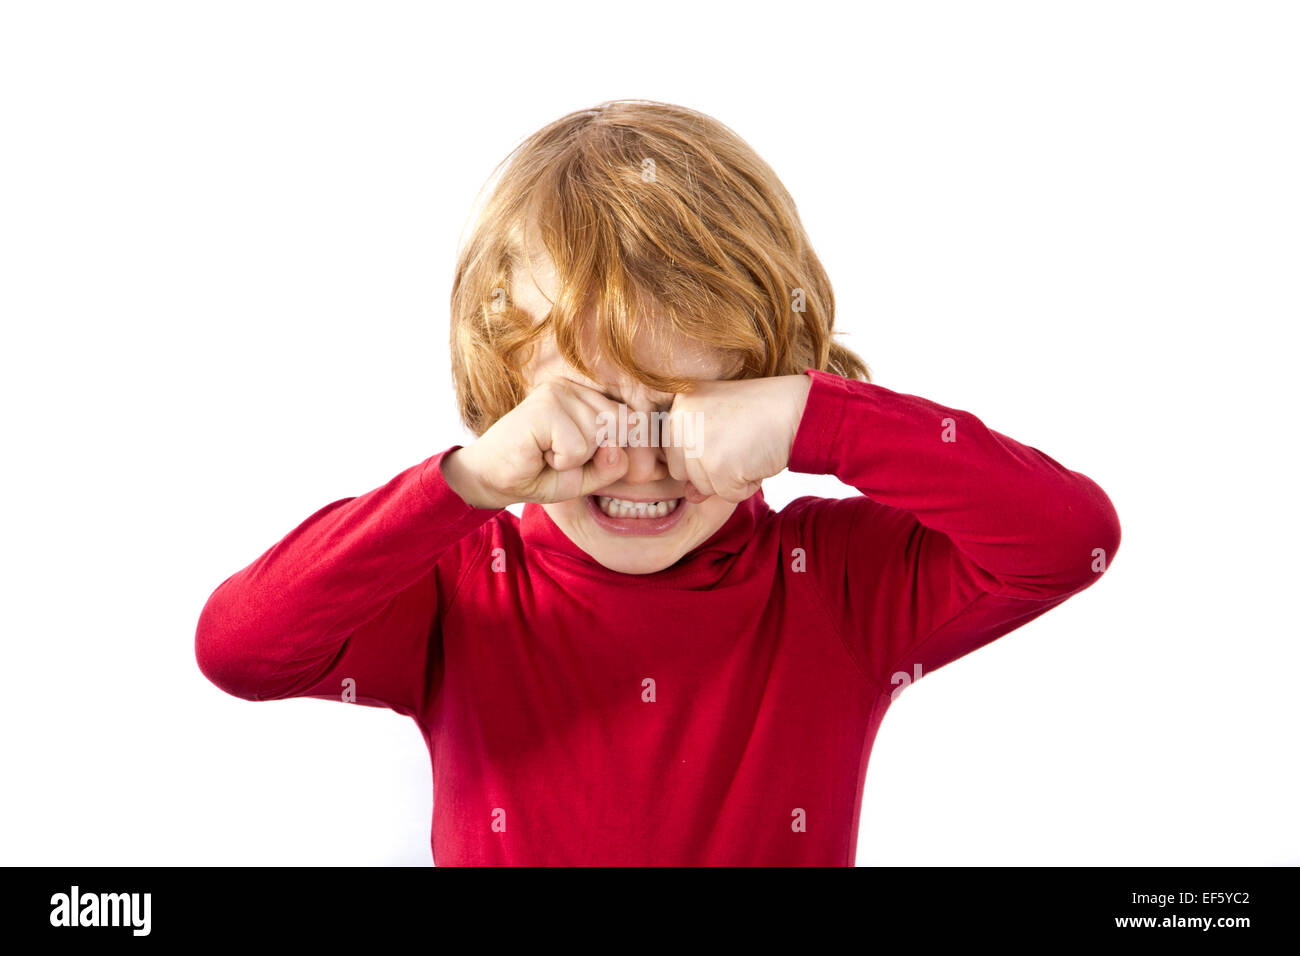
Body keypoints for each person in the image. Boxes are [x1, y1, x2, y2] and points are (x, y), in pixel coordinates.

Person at [195, 99, 1121, 865]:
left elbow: (1068, 539)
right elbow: (241, 646)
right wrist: (466, 483)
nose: (641, 462)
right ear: (510, 403)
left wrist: (819, 417)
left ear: (765, 393)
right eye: (591, 411)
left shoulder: (834, 586)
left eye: (692, 408)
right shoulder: (460, 589)